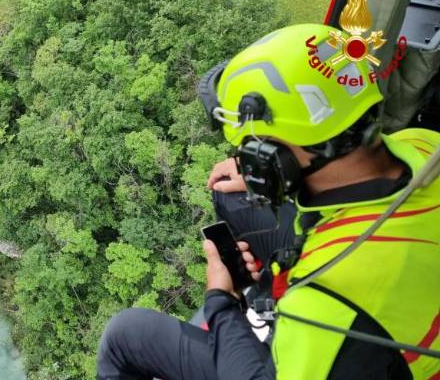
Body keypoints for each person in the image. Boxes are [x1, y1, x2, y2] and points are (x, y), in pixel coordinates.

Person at [96, 23, 440, 380]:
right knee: (230, 194)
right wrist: (269, 178)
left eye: (249, 150)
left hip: (338, 332)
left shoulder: (321, 307)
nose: (245, 160)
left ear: (276, 152)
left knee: (125, 337)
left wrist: (222, 301)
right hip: (392, 268)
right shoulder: (424, 144)